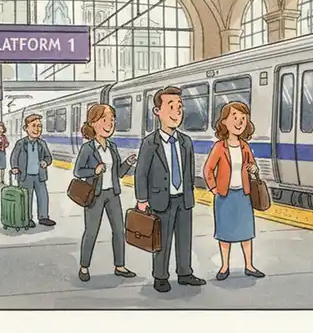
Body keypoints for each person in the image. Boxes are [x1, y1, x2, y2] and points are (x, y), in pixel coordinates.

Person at [135, 86, 207, 293]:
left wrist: (189, 194)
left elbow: (189, 171)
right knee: (161, 241)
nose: (177, 112)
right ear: (157, 111)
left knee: (184, 239)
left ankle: (185, 273)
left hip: (183, 200)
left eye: (180, 107)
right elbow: (141, 172)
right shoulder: (150, 143)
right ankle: (160, 276)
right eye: (171, 106)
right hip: (160, 200)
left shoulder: (186, 142)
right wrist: (142, 199)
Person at [73, 104, 138, 282]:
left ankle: (120, 266)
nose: (110, 123)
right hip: (95, 195)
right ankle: (84, 267)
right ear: (93, 123)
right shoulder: (88, 148)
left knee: (118, 230)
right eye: (104, 120)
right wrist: (94, 171)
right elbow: (78, 171)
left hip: (113, 194)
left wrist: (128, 163)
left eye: (112, 120)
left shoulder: (112, 147)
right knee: (91, 231)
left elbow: (118, 173)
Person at [203, 102, 265, 281]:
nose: (239, 122)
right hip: (225, 196)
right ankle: (224, 266)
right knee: (225, 233)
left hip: (243, 195)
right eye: (235, 117)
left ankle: (249, 265)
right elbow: (208, 169)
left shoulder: (245, 146)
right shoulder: (219, 147)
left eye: (243, 119)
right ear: (224, 122)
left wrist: (253, 169)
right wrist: (214, 189)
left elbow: (253, 165)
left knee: (247, 233)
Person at [9, 114, 56, 227]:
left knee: (43, 196)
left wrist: (46, 162)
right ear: (26, 128)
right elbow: (14, 156)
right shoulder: (21, 143)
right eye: (33, 126)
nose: (37, 129)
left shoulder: (42, 143)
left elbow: (48, 157)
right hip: (25, 176)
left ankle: (43, 217)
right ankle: (27, 218)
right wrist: (15, 167)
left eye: (39, 126)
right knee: (26, 198)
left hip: (40, 176)